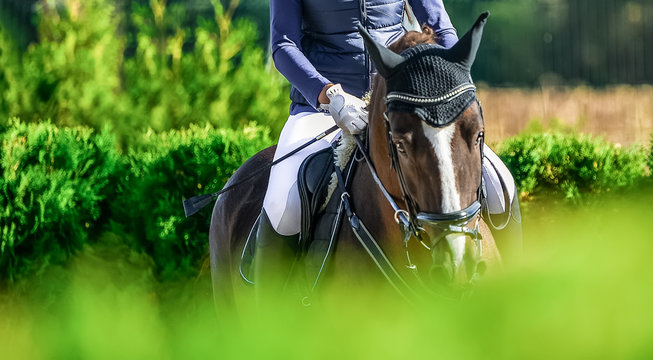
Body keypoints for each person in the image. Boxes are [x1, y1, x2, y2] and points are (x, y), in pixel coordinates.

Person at [255, 0, 522, 296]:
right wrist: (327, 94)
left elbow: (438, 23)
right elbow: (283, 45)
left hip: (402, 103)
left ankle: (516, 298)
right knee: (284, 203)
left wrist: (452, 80)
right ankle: (271, 316)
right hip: (321, 107)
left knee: (500, 184)